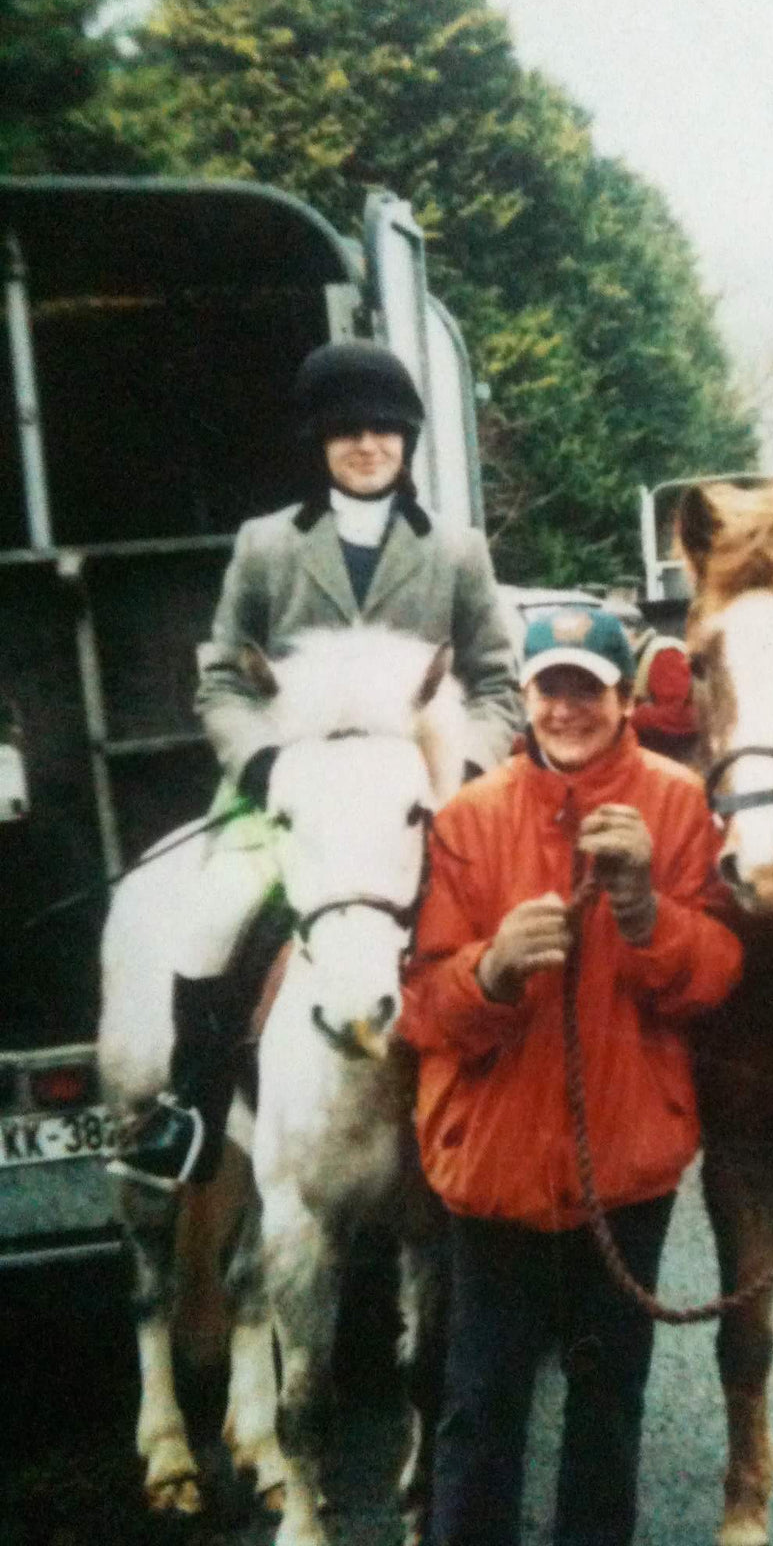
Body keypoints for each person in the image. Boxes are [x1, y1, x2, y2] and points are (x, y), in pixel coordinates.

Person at [113, 339, 522, 1189]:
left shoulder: (456, 550)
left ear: (407, 440)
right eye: (346, 432)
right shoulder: (267, 545)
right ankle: (192, 1106)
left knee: (510, 924)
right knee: (212, 917)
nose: (367, 445)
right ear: (320, 443)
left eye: (383, 429)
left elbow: (496, 684)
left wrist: (462, 773)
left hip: (419, 800)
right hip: (294, 796)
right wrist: (259, 761)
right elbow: (224, 679)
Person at [398, 607, 742, 1546]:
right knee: (481, 1405)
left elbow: (717, 976)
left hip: (624, 1172)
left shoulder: (680, 804)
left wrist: (646, 916)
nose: (567, 709)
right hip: (496, 1170)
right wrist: (492, 971)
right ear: (526, 698)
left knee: (607, 1404)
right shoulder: (468, 819)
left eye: (588, 689)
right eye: (550, 688)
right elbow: (421, 1004)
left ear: (625, 699)